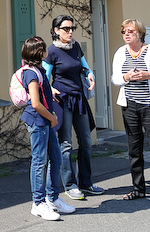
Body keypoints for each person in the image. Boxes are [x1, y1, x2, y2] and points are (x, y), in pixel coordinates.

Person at [111, 18, 150, 209]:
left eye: (130, 31)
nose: (126, 34)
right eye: (123, 31)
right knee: (134, 150)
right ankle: (138, 188)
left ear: (139, 33)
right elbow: (115, 78)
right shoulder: (120, 53)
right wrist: (126, 77)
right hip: (129, 105)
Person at [43, 15, 103, 200]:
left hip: (80, 99)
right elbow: (44, 77)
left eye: (72, 28)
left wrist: (90, 74)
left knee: (86, 141)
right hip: (63, 101)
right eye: (66, 29)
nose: (70, 32)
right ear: (56, 31)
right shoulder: (52, 51)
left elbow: (84, 67)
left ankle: (86, 183)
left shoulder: (75, 47)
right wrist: (51, 88)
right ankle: (70, 185)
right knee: (66, 144)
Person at [19, 36, 76, 221]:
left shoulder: (39, 69)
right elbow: (35, 103)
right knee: (39, 162)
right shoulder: (30, 73)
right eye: (44, 48)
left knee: (56, 157)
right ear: (38, 52)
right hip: (38, 121)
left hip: (46, 120)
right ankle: (38, 203)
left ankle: (52, 198)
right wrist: (52, 118)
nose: (47, 52)